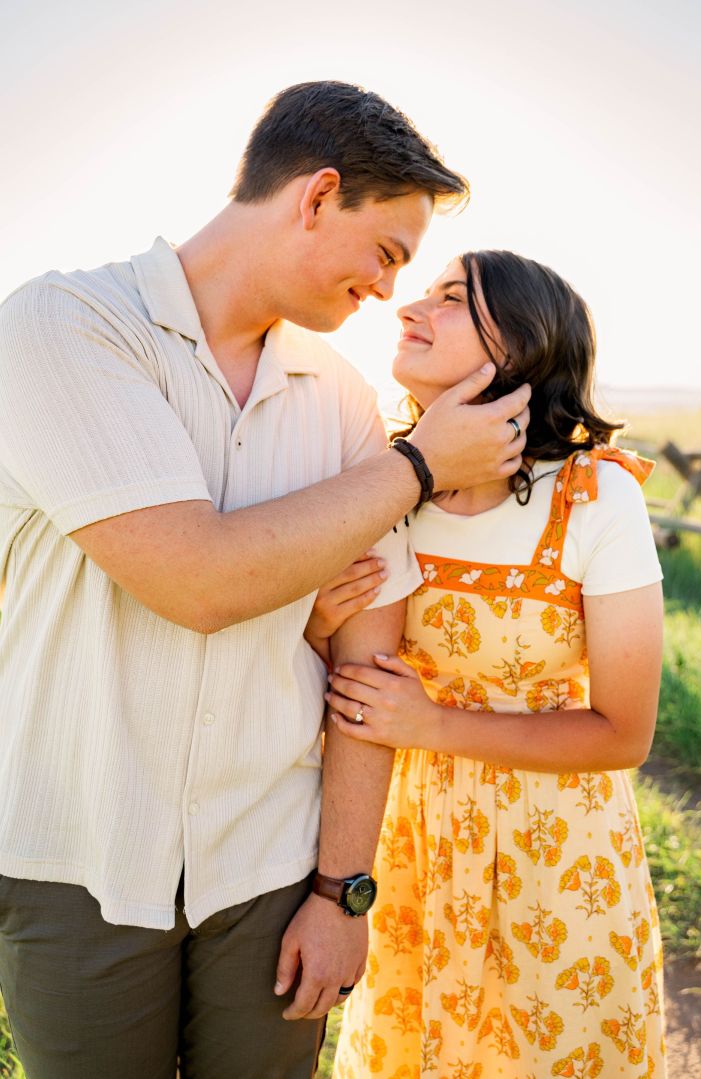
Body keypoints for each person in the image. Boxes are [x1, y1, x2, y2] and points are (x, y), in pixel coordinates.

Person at [0, 83, 532, 1079]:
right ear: (317, 195)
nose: (386, 290)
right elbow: (196, 580)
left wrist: (342, 890)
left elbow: (369, 675)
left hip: (275, 874)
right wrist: (420, 466)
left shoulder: (341, 397)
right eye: (386, 251)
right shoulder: (63, 326)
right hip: (77, 859)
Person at [320, 250, 666, 1077]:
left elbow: (624, 732)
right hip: (419, 851)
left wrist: (433, 723)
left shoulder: (595, 495)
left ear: (519, 348)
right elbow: (356, 686)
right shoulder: (386, 484)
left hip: (564, 859)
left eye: (450, 299)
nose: (410, 307)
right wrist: (314, 627)